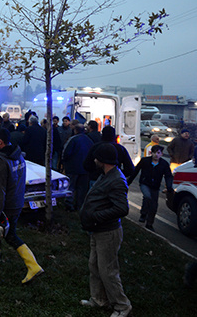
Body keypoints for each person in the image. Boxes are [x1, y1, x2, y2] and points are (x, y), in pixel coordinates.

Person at [0, 128, 44, 283]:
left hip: (5, 206)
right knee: (1, 235)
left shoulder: (2, 160)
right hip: (16, 202)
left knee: (5, 234)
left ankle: (32, 266)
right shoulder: (18, 156)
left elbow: (0, 188)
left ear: (0, 142)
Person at [79, 143, 132, 317]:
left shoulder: (116, 179)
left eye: (96, 157)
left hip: (107, 233)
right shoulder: (106, 175)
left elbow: (122, 208)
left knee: (108, 271)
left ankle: (122, 306)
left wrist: (96, 216)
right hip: (98, 230)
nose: (94, 160)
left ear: (102, 160)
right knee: (94, 266)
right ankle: (99, 299)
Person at [127, 145, 173, 231]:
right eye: (154, 152)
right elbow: (135, 171)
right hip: (145, 183)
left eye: (158, 153)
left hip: (155, 187)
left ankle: (149, 223)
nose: (156, 155)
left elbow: (168, 176)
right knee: (147, 196)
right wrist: (128, 182)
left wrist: (169, 187)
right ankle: (143, 213)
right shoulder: (145, 161)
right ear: (151, 153)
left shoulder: (164, 164)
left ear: (161, 154)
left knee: (154, 205)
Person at [62, 124, 94, 211]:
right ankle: (80, 206)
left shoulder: (73, 139)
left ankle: (69, 205)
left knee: (71, 187)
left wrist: (64, 163)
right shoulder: (89, 141)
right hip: (84, 169)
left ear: (75, 130)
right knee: (82, 188)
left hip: (73, 167)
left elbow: (66, 153)